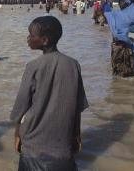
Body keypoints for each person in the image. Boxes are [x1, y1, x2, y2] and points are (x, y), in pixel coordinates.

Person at [11, 16, 88, 171]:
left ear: (44, 40)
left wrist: (17, 134)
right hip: (62, 150)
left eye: (31, 35)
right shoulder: (73, 65)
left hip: (33, 149)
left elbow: (20, 108)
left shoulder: (33, 66)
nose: (28, 39)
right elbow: (77, 106)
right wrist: (76, 135)